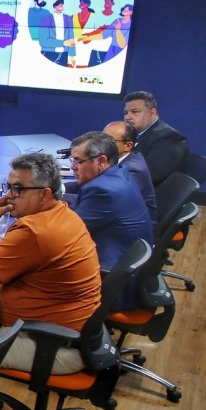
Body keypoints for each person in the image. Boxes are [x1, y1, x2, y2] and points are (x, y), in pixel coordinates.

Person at [0, 153, 101, 374]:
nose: (9, 195)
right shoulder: (62, 214)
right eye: (9, 187)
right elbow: (24, 249)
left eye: (18, 189)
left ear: (45, 194)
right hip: (70, 331)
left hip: (49, 343)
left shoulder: (33, 230)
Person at [66, 132, 152, 308]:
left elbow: (64, 233)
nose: (73, 167)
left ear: (101, 161)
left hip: (110, 283)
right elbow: (78, 209)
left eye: (78, 161)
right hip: (120, 264)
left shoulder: (103, 190)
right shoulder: (118, 173)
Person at [123, 90, 188, 185]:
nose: (127, 117)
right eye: (126, 112)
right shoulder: (136, 134)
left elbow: (149, 175)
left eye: (135, 112)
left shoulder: (169, 138)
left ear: (152, 113)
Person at [103, 121, 156, 222]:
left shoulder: (132, 169)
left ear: (128, 146)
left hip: (131, 226)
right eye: (101, 139)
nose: (102, 145)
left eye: (110, 141)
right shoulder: (113, 160)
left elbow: (108, 199)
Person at [38, 0, 74, 64]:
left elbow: (71, 37)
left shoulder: (68, 18)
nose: (61, 5)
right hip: (48, 52)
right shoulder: (45, 19)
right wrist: (63, 43)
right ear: (54, 6)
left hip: (64, 53)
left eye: (62, 4)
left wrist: (72, 55)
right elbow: (43, 41)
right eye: (59, 4)